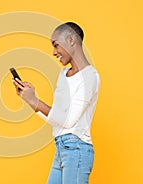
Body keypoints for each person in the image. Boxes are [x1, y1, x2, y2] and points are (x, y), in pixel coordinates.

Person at [12, 22, 100, 184]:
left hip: (77, 150)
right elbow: (57, 121)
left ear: (72, 40)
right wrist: (30, 101)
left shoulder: (89, 77)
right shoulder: (63, 74)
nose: (54, 52)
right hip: (61, 149)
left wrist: (36, 100)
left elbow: (68, 121)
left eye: (56, 45)